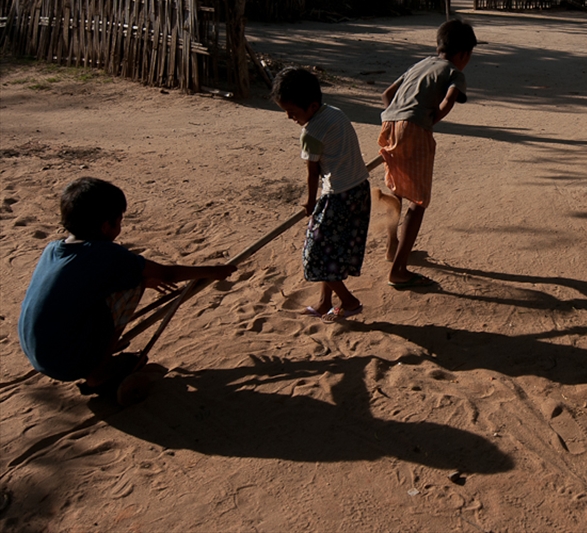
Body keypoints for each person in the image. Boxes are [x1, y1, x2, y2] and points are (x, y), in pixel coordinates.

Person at [18, 177, 236, 398]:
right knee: (134, 282)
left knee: (132, 278)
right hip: (67, 363)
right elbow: (167, 274)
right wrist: (213, 271)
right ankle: (98, 371)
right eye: (119, 221)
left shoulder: (53, 249)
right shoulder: (106, 255)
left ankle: (95, 355)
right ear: (106, 226)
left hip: (38, 353)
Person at [378, 18, 477, 288]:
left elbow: (388, 94)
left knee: (396, 190)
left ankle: (391, 246)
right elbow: (448, 100)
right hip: (414, 128)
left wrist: (397, 122)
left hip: (388, 123)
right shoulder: (455, 72)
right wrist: (424, 123)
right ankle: (398, 269)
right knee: (418, 202)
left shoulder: (419, 64)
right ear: (464, 54)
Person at [272, 66, 371, 322]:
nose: (288, 117)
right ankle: (326, 302)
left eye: (292, 112)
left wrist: (310, 202)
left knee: (316, 254)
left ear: (313, 105)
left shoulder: (311, 132)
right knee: (332, 250)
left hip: (338, 196)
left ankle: (349, 302)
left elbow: (313, 172)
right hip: (359, 190)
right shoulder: (336, 113)